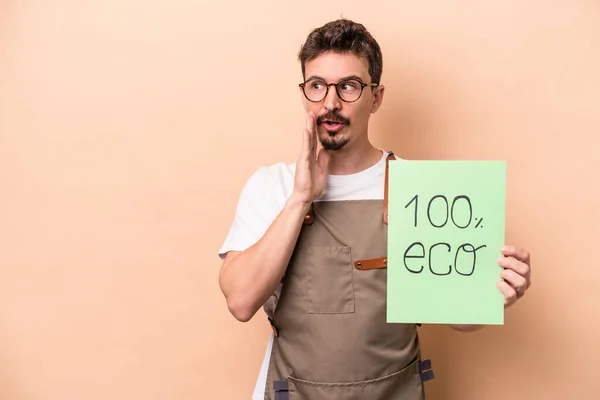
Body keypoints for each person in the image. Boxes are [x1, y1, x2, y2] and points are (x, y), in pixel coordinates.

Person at [217, 18, 532, 400]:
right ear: (304, 95)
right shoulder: (271, 186)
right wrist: (301, 197)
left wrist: (494, 294)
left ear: (376, 97)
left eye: (348, 86)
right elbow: (240, 301)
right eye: (317, 86)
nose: (330, 103)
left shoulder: (422, 191)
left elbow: (459, 320)